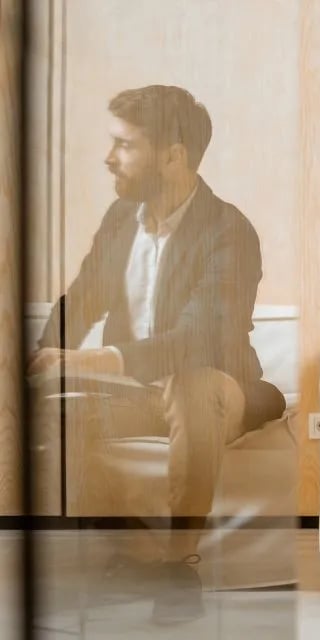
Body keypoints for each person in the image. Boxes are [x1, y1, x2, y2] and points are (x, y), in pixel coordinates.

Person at [28, 85, 284, 624]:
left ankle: (177, 563)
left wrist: (85, 362)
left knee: (190, 383)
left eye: (125, 145)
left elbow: (197, 342)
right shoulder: (121, 220)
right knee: (49, 409)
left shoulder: (230, 230)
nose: (109, 158)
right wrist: (43, 360)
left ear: (173, 155)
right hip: (135, 394)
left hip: (218, 386)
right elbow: (80, 302)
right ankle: (126, 550)